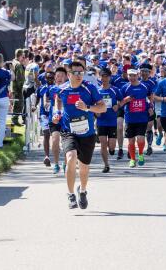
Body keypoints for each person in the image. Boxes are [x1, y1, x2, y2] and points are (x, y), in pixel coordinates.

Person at [53, 61, 106, 209]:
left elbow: (103, 108)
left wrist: (87, 107)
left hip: (87, 133)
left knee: (83, 168)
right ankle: (70, 195)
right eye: (75, 73)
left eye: (81, 73)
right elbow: (57, 100)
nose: (79, 76)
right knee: (71, 158)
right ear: (68, 74)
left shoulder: (90, 89)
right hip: (69, 131)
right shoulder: (62, 90)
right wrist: (57, 113)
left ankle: (82, 191)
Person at [120, 69, 152, 168]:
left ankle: (141, 154)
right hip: (130, 118)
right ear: (127, 76)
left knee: (140, 139)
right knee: (131, 141)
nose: (132, 78)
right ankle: (133, 159)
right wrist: (126, 100)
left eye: (134, 75)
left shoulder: (144, 86)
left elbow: (151, 97)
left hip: (142, 117)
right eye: (130, 76)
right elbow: (120, 103)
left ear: (138, 75)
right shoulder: (125, 88)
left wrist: (151, 107)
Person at [95, 67, 121, 173]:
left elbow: (122, 100)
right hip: (101, 121)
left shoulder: (115, 90)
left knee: (111, 145)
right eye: (102, 76)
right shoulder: (97, 90)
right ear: (99, 77)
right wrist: (96, 112)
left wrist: (117, 106)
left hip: (112, 121)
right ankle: (106, 165)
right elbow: (93, 104)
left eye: (106, 76)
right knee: (103, 144)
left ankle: (112, 149)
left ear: (110, 77)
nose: (104, 78)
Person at [48, 67, 67, 174]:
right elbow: (51, 101)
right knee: (55, 140)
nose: (59, 78)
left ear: (66, 77)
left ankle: (65, 162)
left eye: (61, 76)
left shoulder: (69, 89)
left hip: (66, 119)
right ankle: (56, 164)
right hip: (54, 119)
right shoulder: (51, 89)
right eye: (57, 76)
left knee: (66, 142)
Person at [35, 70, 55, 166]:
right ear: (45, 78)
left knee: (56, 135)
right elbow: (37, 99)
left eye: (52, 78)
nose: (50, 79)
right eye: (48, 78)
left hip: (55, 114)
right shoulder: (41, 88)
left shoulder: (57, 88)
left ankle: (58, 156)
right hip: (44, 114)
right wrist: (34, 106)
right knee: (46, 134)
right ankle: (46, 156)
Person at [11, 49, 27, 126]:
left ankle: (14, 119)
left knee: (16, 104)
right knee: (19, 105)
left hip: (14, 87)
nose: (23, 58)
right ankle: (15, 119)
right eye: (23, 56)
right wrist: (21, 89)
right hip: (18, 88)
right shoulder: (18, 65)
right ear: (20, 56)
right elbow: (19, 78)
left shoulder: (14, 62)